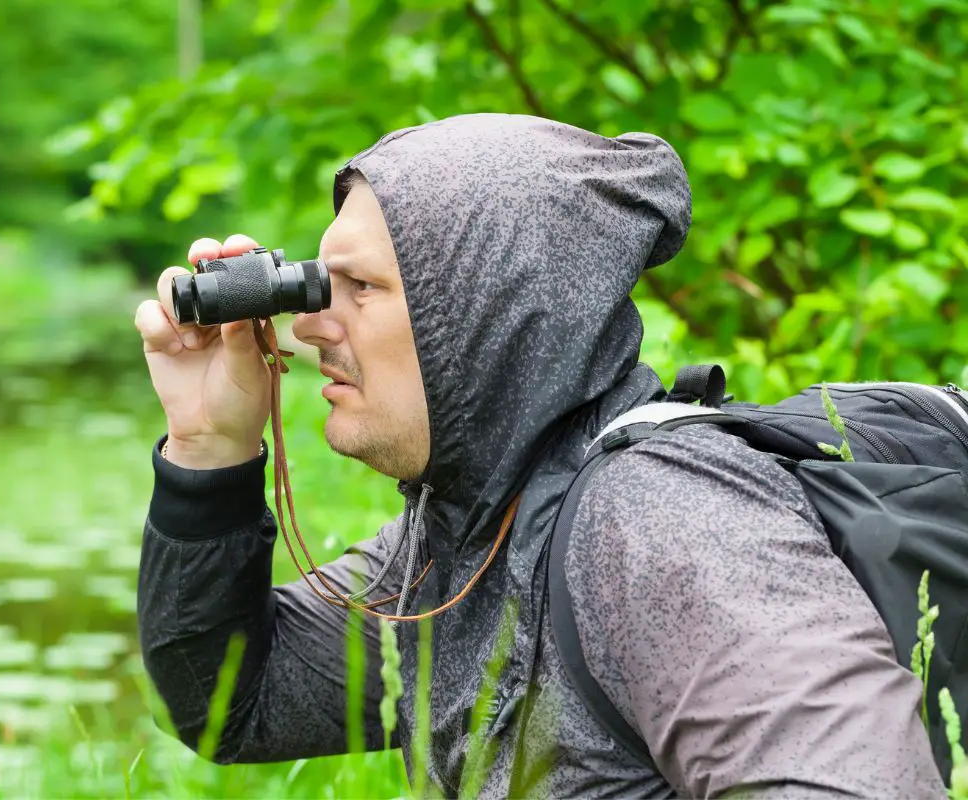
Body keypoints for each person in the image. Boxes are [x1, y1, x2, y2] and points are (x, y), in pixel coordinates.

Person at [132, 113, 943, 797]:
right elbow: (238, 701)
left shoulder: (660, 523)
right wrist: (210, 449)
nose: (309, 325)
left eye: (364, 289)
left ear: (493, 314)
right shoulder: (468, 532)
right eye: (316, 286)